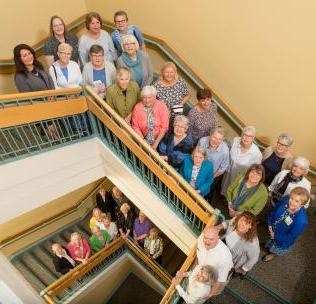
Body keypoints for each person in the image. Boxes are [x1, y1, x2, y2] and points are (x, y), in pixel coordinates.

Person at [263, 187, 309, 262]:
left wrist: (275, 235)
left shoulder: (301, 221)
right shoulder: (286, 199)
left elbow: (290, 236)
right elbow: (274, 211)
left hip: (282, 239)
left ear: (302, 204)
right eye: (291, 198)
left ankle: (273, 254)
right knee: (269, 242)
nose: (291, 202)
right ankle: (268, 246)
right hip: (272, 230)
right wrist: (270, 224)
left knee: (275, 249)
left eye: (296, 201)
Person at [221, 126, 262, 195]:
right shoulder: (235, 140)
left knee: (232, 197)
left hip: (241, 180)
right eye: (245, 135)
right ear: (241, 135)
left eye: (250, 136)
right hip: (228, 174)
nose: (246, 138)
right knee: (224, 192)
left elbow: (255, 172)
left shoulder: (257, 154)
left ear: (253, 138)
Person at [195, 226, 233, 297]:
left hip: (218, 276)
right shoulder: (201, 239)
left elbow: (219, 280)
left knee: (215, 291)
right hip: (203, 272)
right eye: (205, 237)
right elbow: (197, 255)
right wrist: (195, 270)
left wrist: (209, 295)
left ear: (218, 238)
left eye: (211, 239)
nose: (207, 242)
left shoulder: (225, 258)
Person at [132, 85, 170, 150]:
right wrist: (143, 141)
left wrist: (156, 143)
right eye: (144, 97)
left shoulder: (162, 106)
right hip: (143, 139)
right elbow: (135, 127)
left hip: (160, 140)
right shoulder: (137, 108)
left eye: (149, 97)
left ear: (155, 97)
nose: (147, 100)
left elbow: (164, 127)